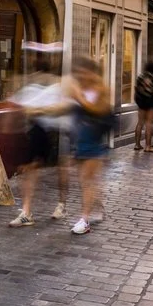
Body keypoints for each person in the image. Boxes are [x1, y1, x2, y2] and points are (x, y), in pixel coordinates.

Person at [7, 73, 70, 226]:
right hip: (38, 130)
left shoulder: (60, 86)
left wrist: (37, 111)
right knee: (29, 169)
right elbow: (16, 107)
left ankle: (62, 204)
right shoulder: (30, 87)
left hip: (58, 130)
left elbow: (63, 108)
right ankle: (26, 213)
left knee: (61, 169)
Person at [67, 60, 114, 235]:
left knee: (87, 180)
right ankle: (98, 206)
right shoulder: (79, 88)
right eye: (79, 73)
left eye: (85, 72)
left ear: (94, 73)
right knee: (87, 181)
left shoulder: (102, 89)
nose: (82, 76)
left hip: (95, 142)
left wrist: (78, 97)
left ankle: (84, 220)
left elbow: (98, 110)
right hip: (81, 140)